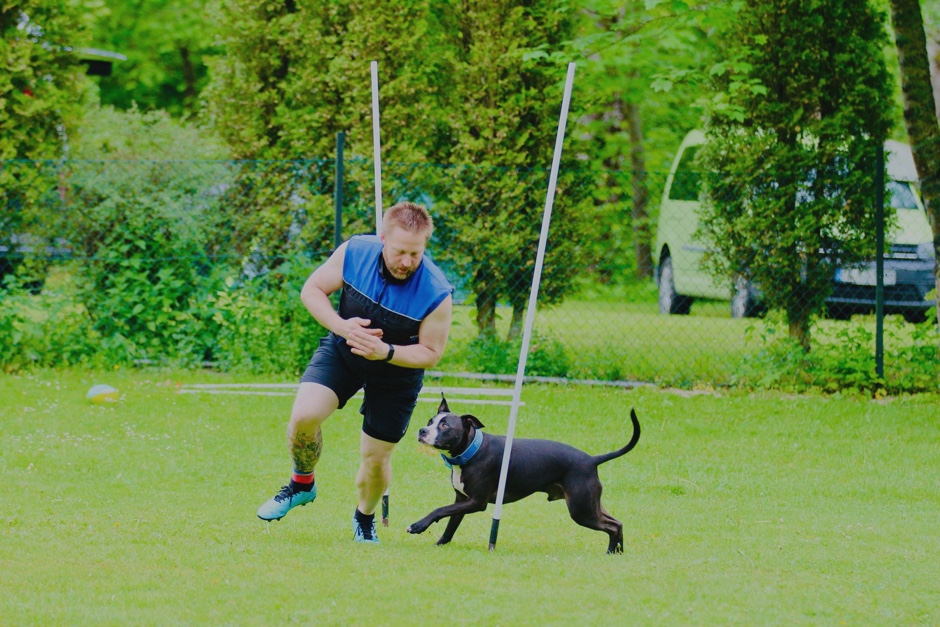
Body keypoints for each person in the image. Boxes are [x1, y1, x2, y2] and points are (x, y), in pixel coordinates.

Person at [257, 201, 454, 544]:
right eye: (400, 251)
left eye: (415, 253)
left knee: (375, 458)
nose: (407, 262)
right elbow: (312, 290)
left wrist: (386, 351)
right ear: (383, 239)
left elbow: (432, 353)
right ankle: (302, 483)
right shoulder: (355, 252)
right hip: (343, 349)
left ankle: (364, 518)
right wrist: (341, 326)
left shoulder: (436, 292)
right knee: (303, 416)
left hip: (397, 374)